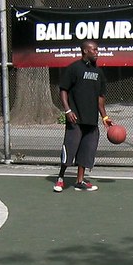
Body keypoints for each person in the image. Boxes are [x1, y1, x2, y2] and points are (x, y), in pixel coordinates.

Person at [53, 40, 111, 192]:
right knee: (70, 148)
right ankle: (60, 179)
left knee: (87, 150)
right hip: (75, 118)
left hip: (91, 120)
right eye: (94, 50)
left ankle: (80, 181)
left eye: (97, 50)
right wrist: (67, 110)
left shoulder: (99, 72)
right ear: (85, 51)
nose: (97, 52)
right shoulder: (74, 68)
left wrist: (104, 117)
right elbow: (63, 90)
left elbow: (100, 98)